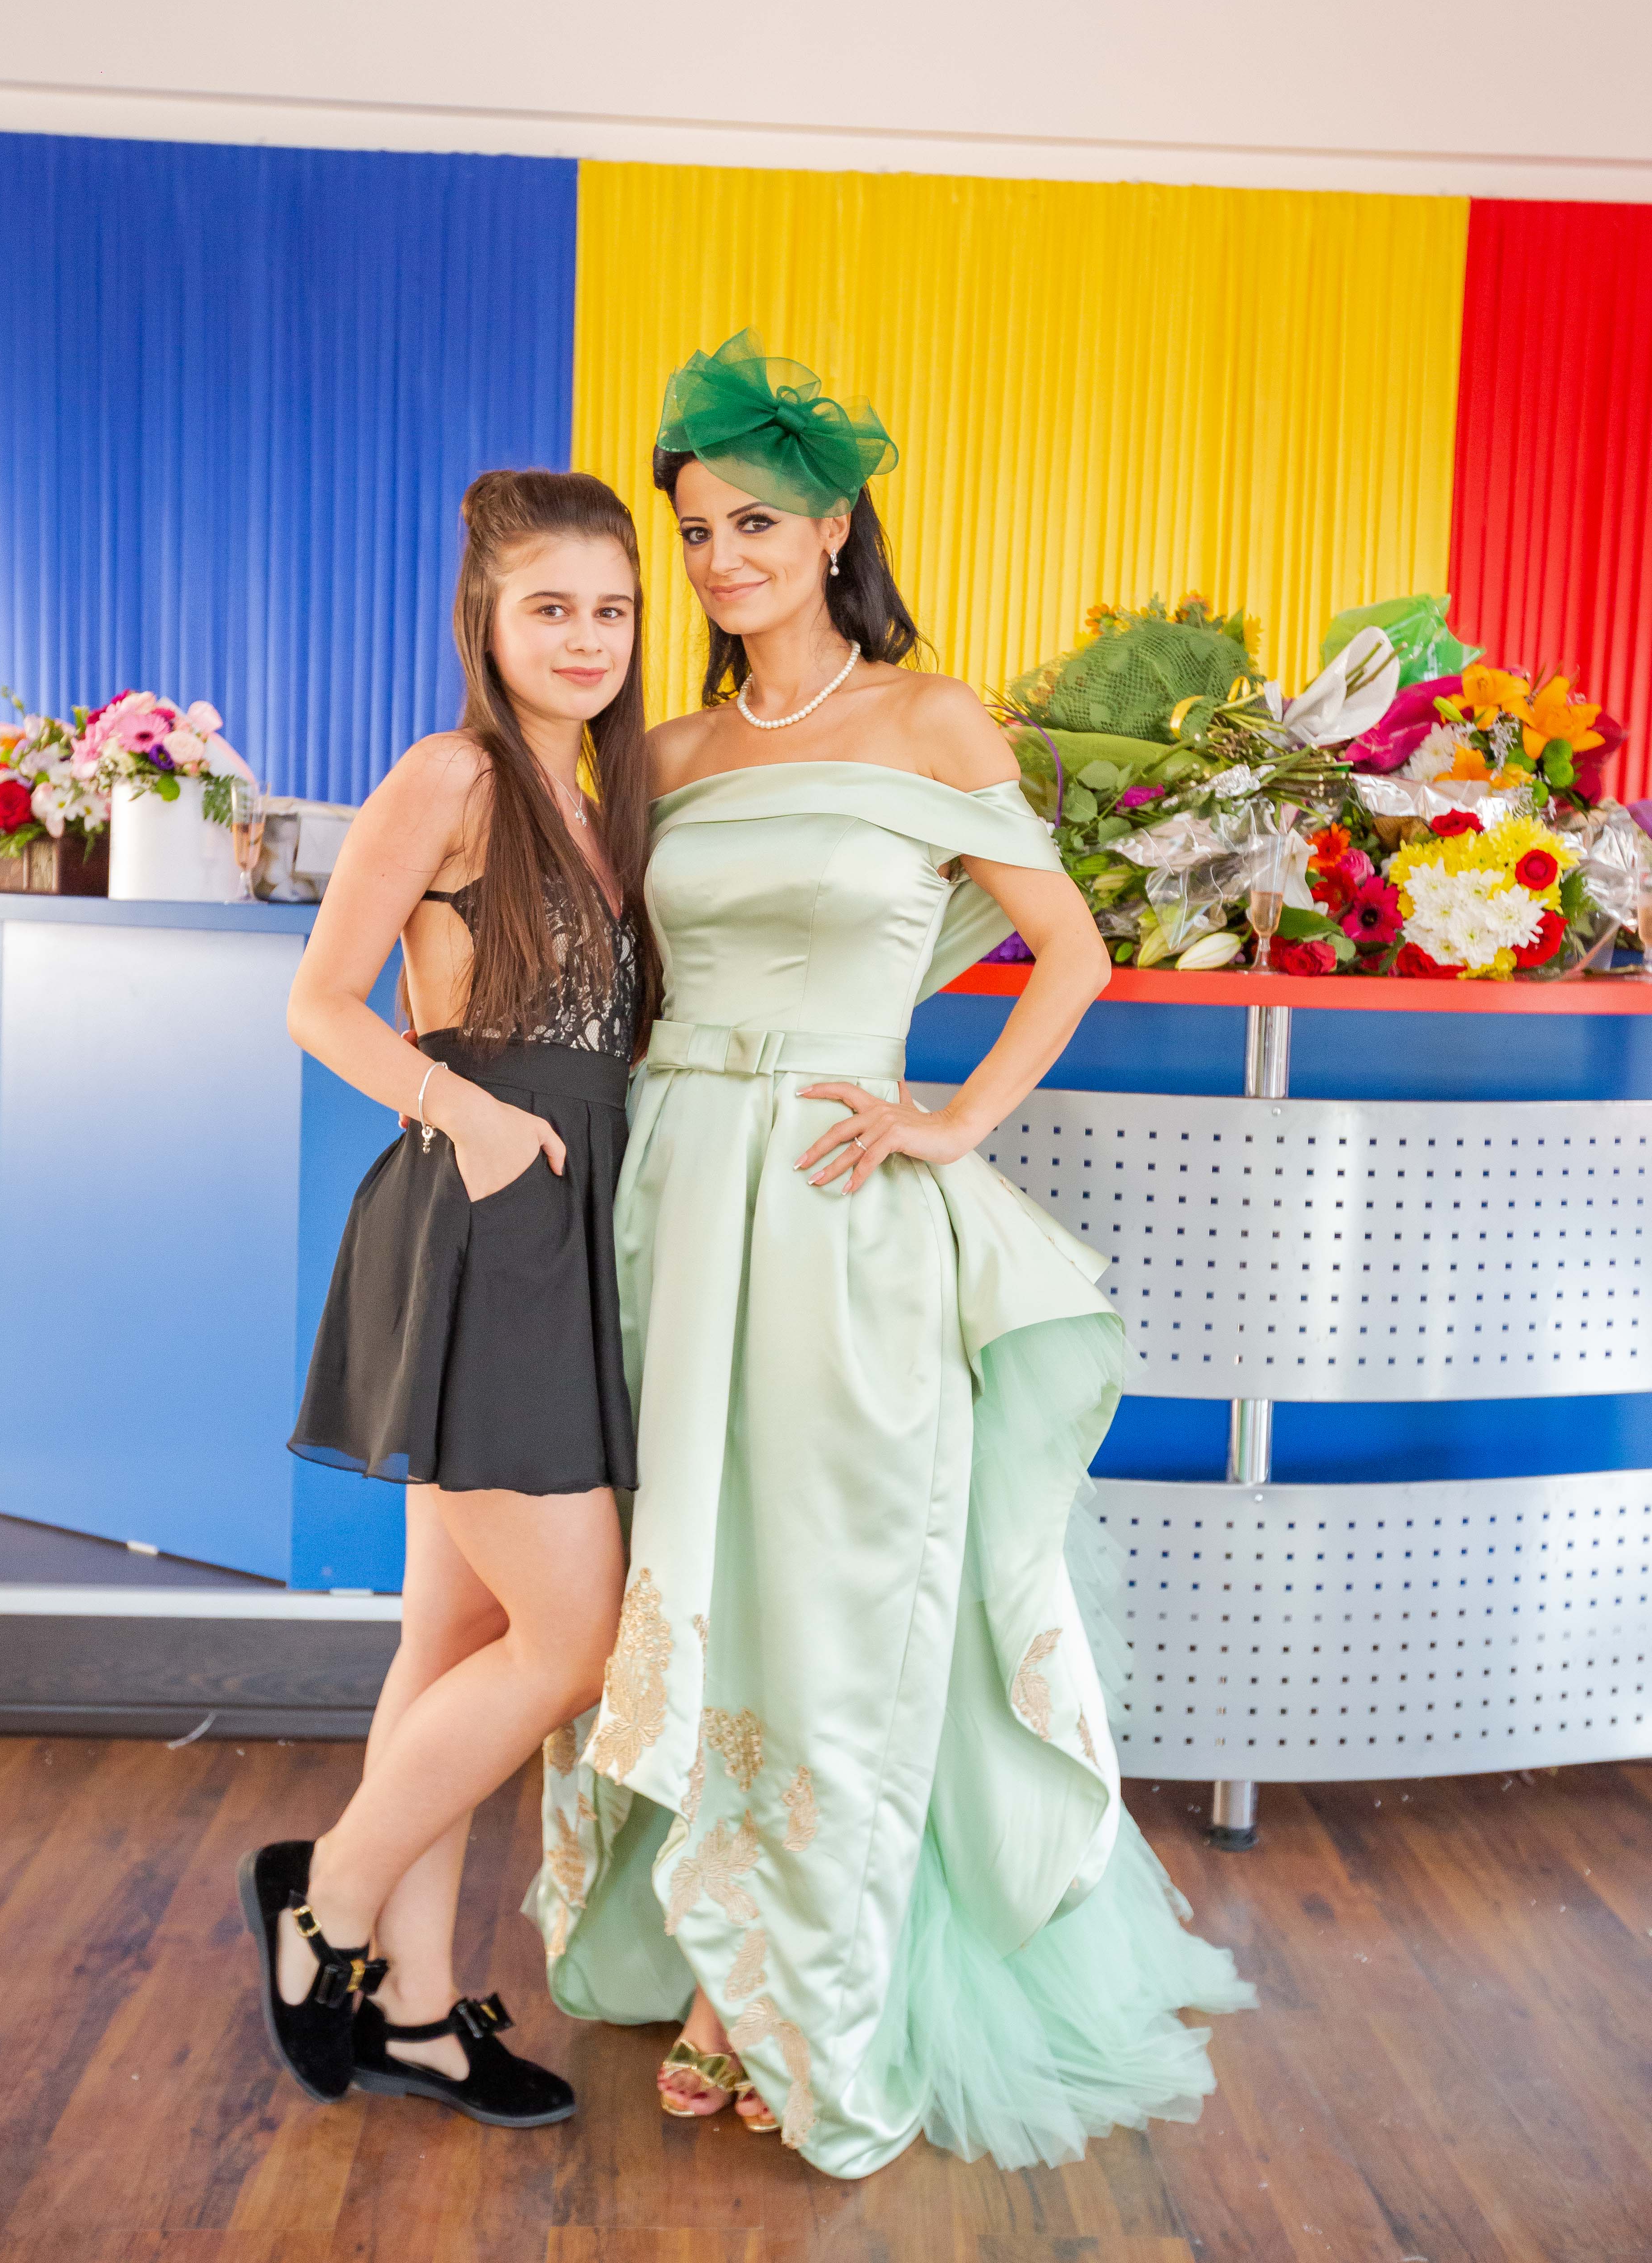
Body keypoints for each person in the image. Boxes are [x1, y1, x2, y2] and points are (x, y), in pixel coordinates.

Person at [527, 333, 1252, 2178]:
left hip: (838, 1206)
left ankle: (799, 1987)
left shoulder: (934, 723)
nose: (720, 560)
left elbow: (1072, 953)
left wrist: (953, 1120)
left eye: (755, 524)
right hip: (673, 1197)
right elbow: (616, 983)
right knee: (681, 1569)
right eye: (698, 532)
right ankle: (710, 1950)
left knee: (834, 1590)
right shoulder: (663, 752)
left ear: (836, 528)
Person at [238, 467, 657, 2128]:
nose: (586, 638)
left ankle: (413, 2012)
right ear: (486, 617)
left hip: (569, 1228)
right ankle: (326, 1898)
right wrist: (466, 1113)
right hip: (482, 1221)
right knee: (575, 1643)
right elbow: (321, 1003)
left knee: (458, 1637)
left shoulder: (606, 800)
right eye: (550, 607)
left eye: (612, 609)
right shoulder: (455, 775)